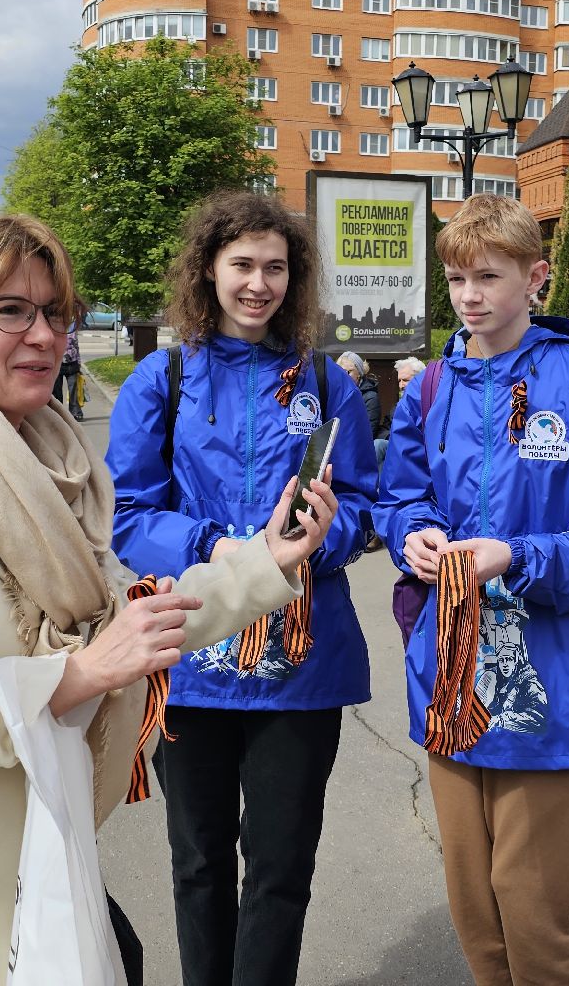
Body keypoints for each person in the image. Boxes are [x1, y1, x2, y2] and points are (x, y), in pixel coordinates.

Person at [0, 211, 337, 986]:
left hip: (39, 881)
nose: (44, 336)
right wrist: (76, 678)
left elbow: (131, 624)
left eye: (55, 313)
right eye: (10, 311)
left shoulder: (53, 472)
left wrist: (262, 564)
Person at [374, 193, 569, 986]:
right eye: (458, 277)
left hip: (554, 680)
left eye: (488, 276)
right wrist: (412, 535)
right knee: (473, 899)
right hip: (452, 672)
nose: (470, 294)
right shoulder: (430, 389)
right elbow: (400, 496)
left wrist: (517, 555)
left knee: (530, 904)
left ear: (535, 279)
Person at [106, 189, 378, 986]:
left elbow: (362, 507)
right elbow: (129, 516)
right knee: (197, 864)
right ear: (209, 271)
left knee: (281, 870)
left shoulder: (327, 384)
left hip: (301, 672)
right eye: (242, 266)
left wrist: (322, 543)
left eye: (276, 268)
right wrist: (229, 547)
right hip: (190, 659)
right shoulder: (165, 379)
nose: (259, 283)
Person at [55, 323, 86, 420]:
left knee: (73, 390)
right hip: (57, 364)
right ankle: (58, 414)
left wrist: (79, 363)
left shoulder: (73, 329)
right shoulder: (54, 329)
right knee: (57, 392)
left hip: (72, 364)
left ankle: (75, 412)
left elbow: (76, 346)